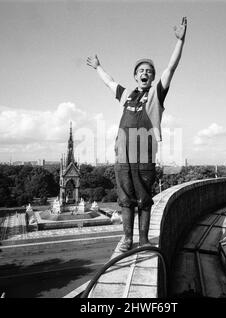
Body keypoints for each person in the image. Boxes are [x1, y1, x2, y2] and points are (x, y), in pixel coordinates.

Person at [86, 17, 188, 252]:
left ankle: (143, 241)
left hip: (144, 158)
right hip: (122, 158)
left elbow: (171, 67)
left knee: (143, 200)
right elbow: (110, 82)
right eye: (141, 71)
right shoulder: (127, 95)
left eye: (149, 72)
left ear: (152, 78)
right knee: (124, 200)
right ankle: (126, 240)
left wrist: (181, 41)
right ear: (135, 76)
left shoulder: (156, 95)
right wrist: (98, 67)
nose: (145, 73)